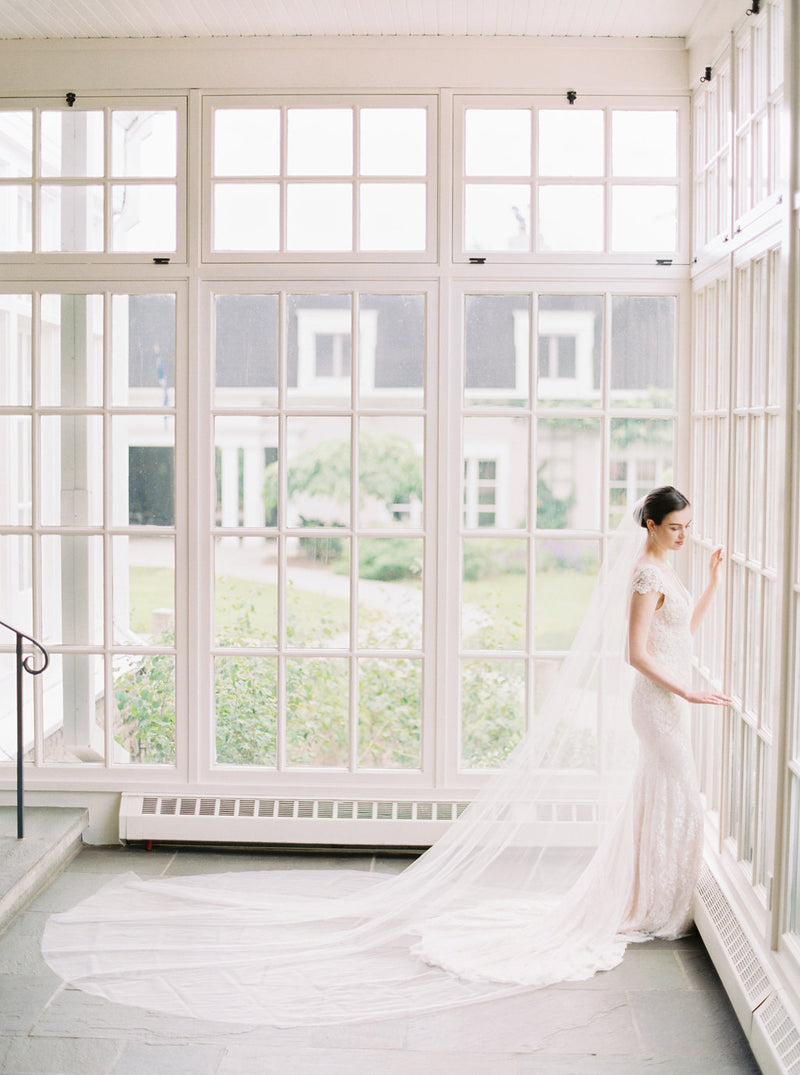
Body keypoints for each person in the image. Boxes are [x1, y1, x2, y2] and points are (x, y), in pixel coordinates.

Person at [41, 486, 729, 1027]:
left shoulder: (668, 568)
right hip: (662, 703)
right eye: (675, 527)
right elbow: (639, 654)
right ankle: (654, 903)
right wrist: (692, 692)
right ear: (649, 526)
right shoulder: (644, 573)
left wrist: (715, 588)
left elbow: (677, 635)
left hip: (675, 697)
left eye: (687, 528)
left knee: (663, 794)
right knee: (675, 787)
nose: (682, 536)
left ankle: (652, 897)